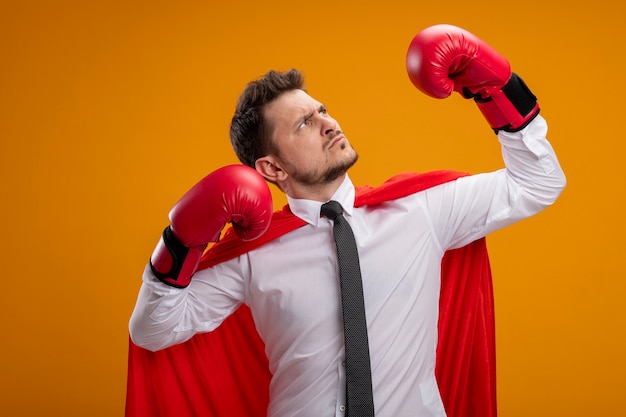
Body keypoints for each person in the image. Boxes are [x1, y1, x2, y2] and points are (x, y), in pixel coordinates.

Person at [129, 24, 566, 417]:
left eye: (321, 109)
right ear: (272, 169)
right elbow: (153, 331)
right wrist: (180, 240)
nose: (327, 123)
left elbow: (540, 183)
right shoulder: (253, 256)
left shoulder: (423, 209)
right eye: (304, 124)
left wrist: (498, 86)